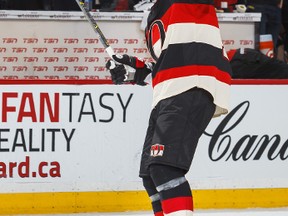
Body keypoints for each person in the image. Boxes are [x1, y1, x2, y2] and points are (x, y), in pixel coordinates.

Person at [106, 0, 231, 215]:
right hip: (168, 91)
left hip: (192, 85)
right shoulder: (154, 13)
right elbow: (170, 63)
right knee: (151, 176)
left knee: (165, 169)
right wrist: (135, 71)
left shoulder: (179, 3)